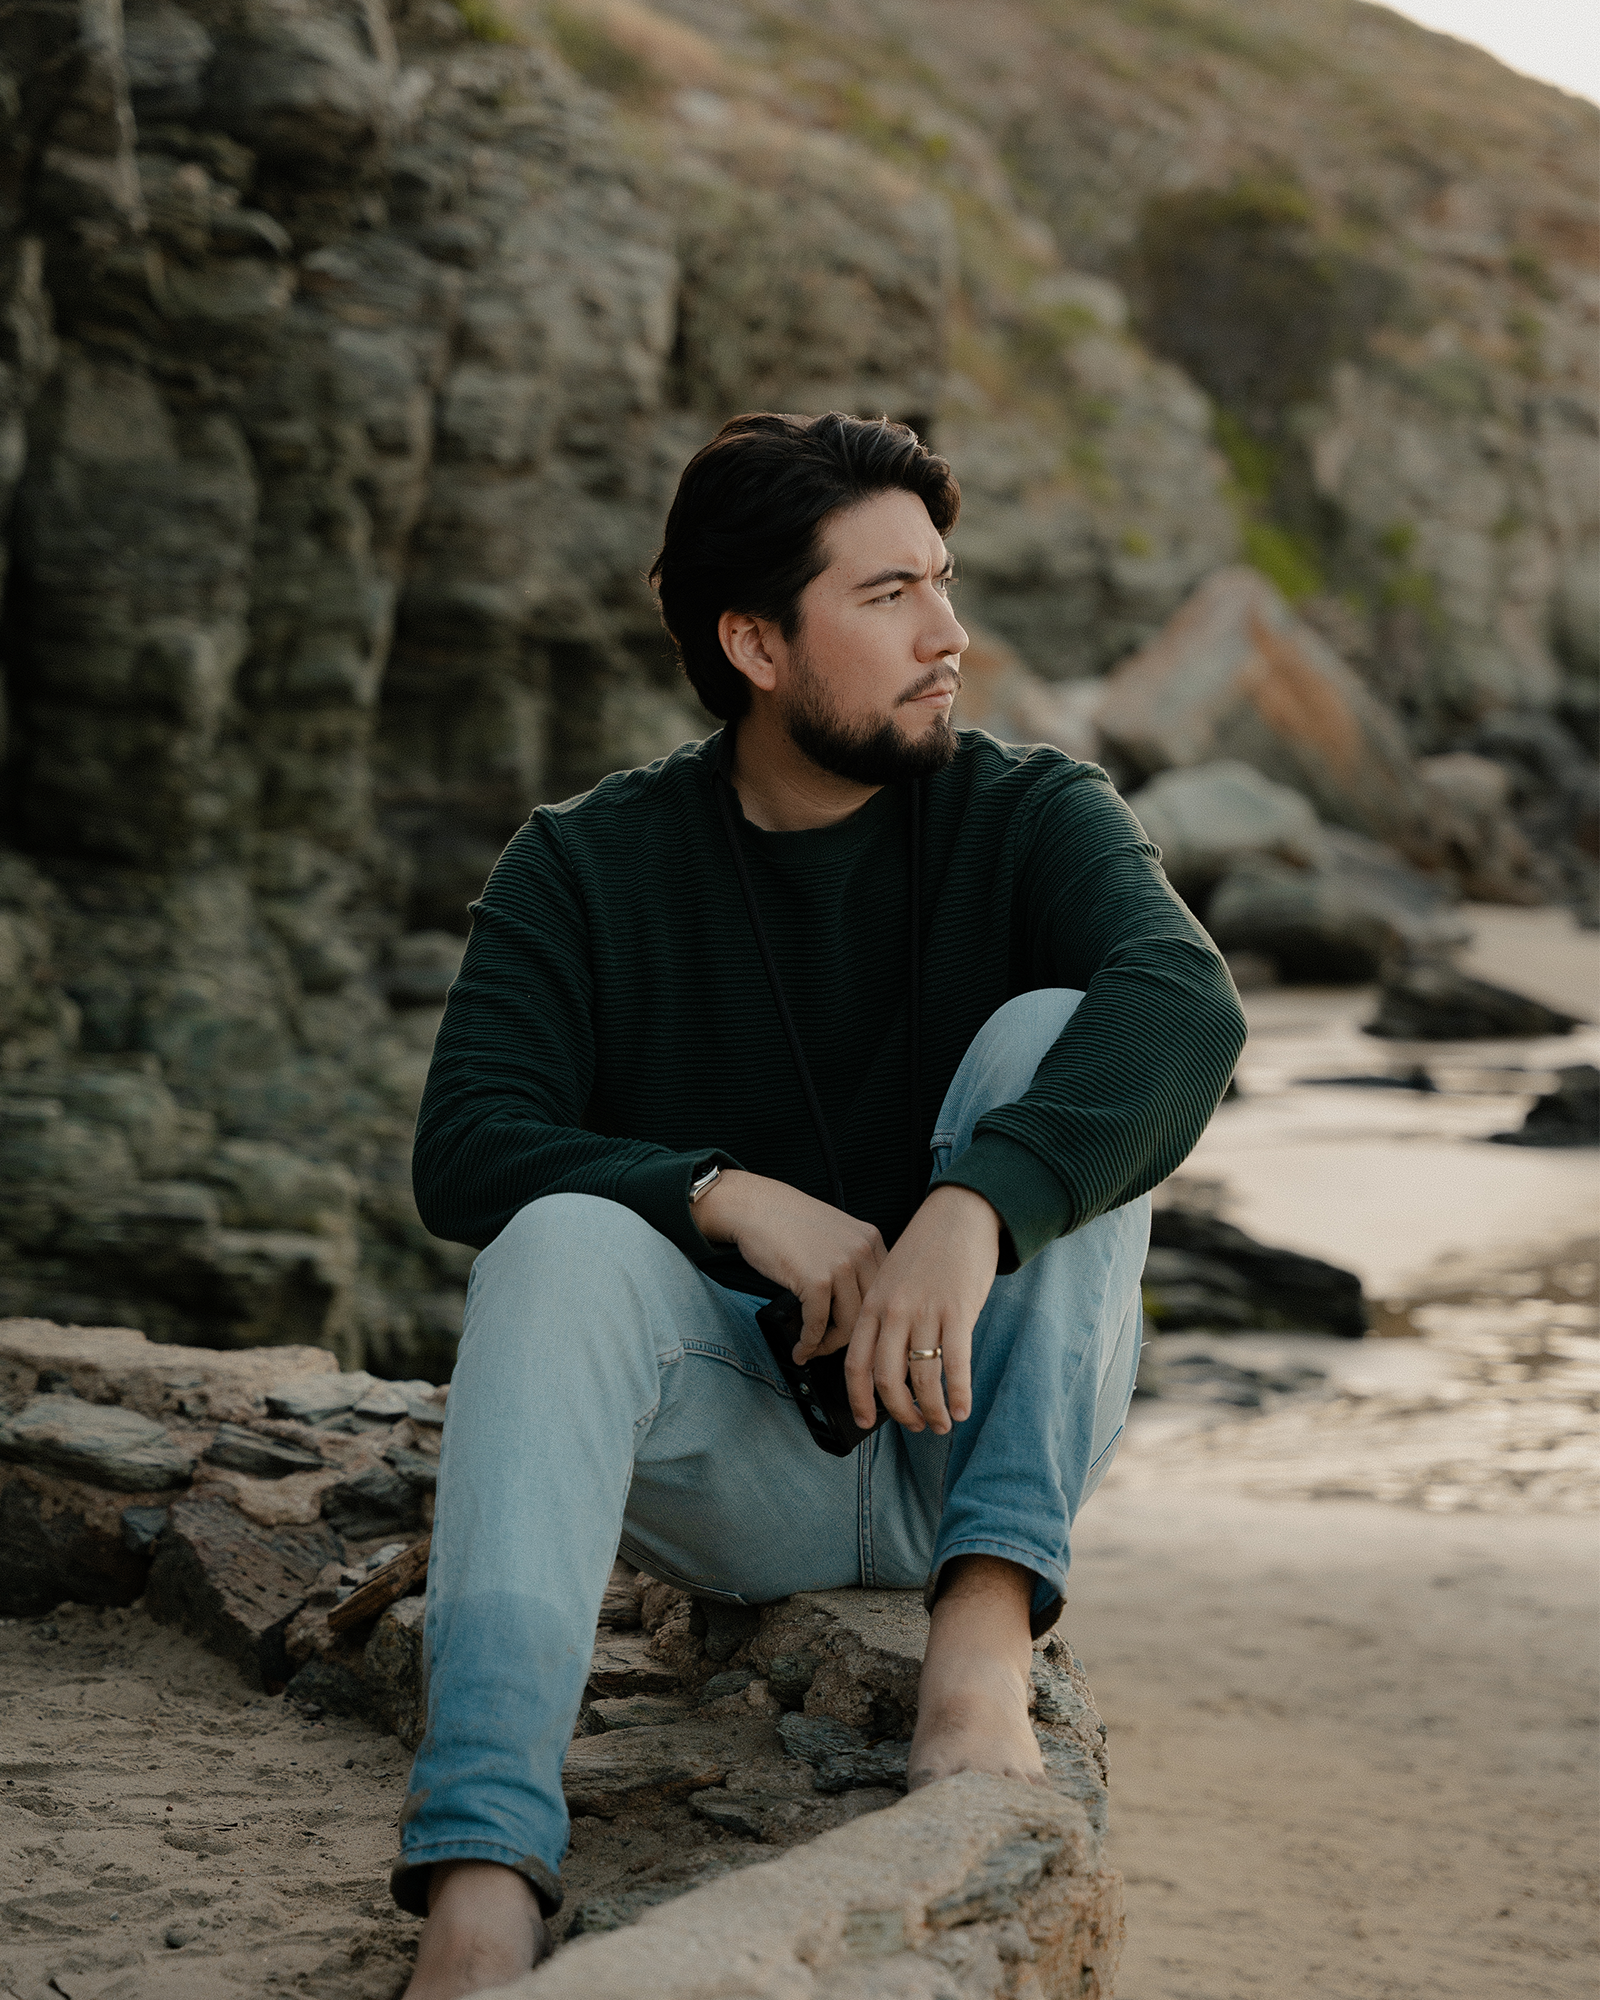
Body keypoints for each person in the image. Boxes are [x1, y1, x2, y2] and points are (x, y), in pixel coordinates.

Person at [393, 411, 1247, 1997]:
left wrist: (975, 1206)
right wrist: (719, 1195)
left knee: (1060, 1039)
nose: (949, 634)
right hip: (738, 1462)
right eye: (888, 596)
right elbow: (468, 1147)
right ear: (755, 642)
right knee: (564, 1235)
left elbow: (1188, 1008)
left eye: (945, 582)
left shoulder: (1029, 812)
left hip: (979, 1417)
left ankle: (981, 1651)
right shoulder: (588, 869)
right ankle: (481, 1882)